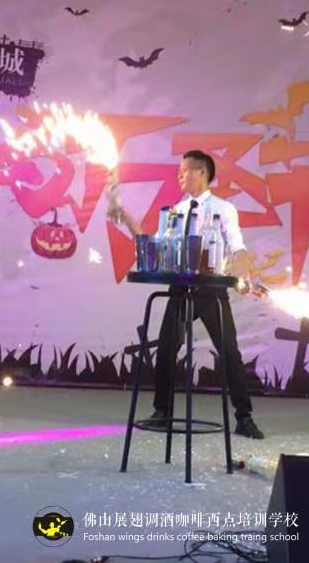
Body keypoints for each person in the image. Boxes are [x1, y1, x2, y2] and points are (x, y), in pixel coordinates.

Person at [107, 150, 265, 439]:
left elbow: (237, 246)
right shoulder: (176, 211)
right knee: (167, 348)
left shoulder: (223, 208)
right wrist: (126, 216)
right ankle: (162, 412)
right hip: (180, 287)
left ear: (202, 172)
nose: (180, 175)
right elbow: (155, 247)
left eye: (185, 170)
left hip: (211, 289)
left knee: (229, 352)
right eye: (179, 171)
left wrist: (242, 275)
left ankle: (244, 417)